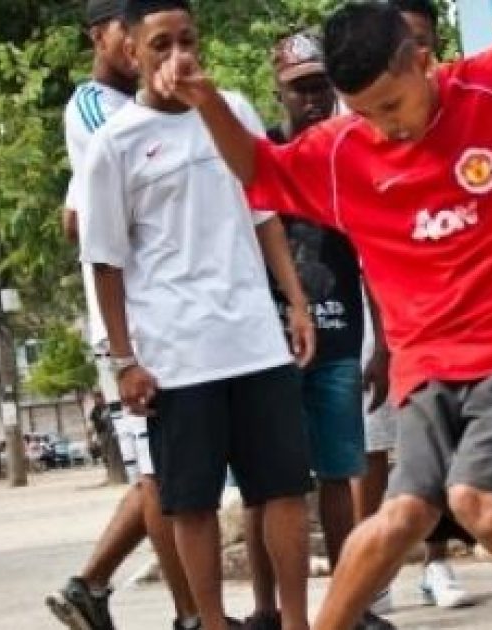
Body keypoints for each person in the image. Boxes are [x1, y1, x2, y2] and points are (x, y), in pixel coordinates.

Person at [152, 0, 492, 626]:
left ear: (423, 61)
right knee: (400, 517)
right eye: (362, 113)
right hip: (429, 365)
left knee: (476, 498)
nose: (384, 128)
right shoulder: (341, 152)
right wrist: (207, 103)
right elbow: (258, 169)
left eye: (392, 105)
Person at [79, 2, 318, 630]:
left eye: (187, 39)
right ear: (133, 52)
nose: (178, 54)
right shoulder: (113, 145)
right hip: (178, 355)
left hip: (255, 340)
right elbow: (105, 261)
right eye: (161, 43)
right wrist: (125, 360)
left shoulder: (231, 109)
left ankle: (296, 621)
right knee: (192, 503)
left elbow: (264, 209)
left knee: (286, 490)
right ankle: (210, 622)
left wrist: (295, 302)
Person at [45, 2, 201, 629]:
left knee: (167, 467)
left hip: (180, 308)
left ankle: (90, 584)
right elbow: (80, 220)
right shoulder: (95, 108)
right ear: (101, 36)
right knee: (159, 470)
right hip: (132, 319)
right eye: (128, 33)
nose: (143, 47)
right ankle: (190, 613)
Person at [242, 31, 393, 630]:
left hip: (338, 340)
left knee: (339, 477)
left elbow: (374, 254)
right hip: (269, 349)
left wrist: (384, 342)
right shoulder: (259, 158)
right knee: (269, 488)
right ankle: (264, 609)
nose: (312, 99)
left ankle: (345, 605)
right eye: (300, 89)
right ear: (278, 91)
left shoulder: (349, 152)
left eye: (320, 87)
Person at [349, 0, 476, 614]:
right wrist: (383, 343)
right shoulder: (359, 147)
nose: (388, 121)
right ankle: (368, 586)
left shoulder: (472, 116)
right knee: (394, 482)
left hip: (478, 337)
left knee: (471, 497)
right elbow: (373, 258)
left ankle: (439, 562)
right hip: (404, 341)